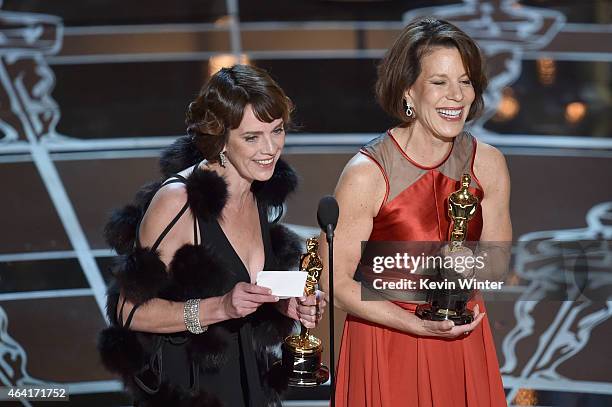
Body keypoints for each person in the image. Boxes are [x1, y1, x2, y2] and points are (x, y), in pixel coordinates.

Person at [98, 64, 327, 406]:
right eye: (252, 137)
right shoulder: (178, 201)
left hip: (251, 381)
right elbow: (128, 311)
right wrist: (217, 308)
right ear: (220, 137)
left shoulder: (259, 189)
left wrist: (285, 302)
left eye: (277, 131)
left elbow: (250, 280)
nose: (270, 149)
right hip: (191, 390)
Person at [322, 18, 510, 406]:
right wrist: (414, 322)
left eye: (465, 81)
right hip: (387, 341)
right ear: (408, 90)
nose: (456, 96)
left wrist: (455, 290)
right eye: (439, 82)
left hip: (460, 338)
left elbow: (496, 263)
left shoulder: (488, 163)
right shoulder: (367, 173)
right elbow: (333, 282)